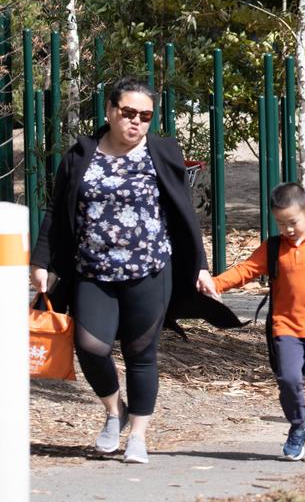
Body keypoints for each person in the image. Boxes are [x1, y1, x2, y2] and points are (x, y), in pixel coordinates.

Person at [29, 77, 243, 463]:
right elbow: (56, 210)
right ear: (110, 111)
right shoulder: (81, 154)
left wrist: (200, 266)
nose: (136, 123)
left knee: (141, 353)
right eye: (128, 113)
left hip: (150, 270)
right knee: (90, 347)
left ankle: (138, 437)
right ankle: (115, 412)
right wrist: (41, 261)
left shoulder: (162, 152)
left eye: (145, 116)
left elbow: (184, 214)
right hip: (93, 271)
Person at [202, 182, 305, 462]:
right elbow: (245, 270)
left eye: (293, 222)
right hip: (285, 328)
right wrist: (215, 284)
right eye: (281, 223)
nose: (288, 229)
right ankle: (298, 426)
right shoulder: (274, 248)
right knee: (288, 378)